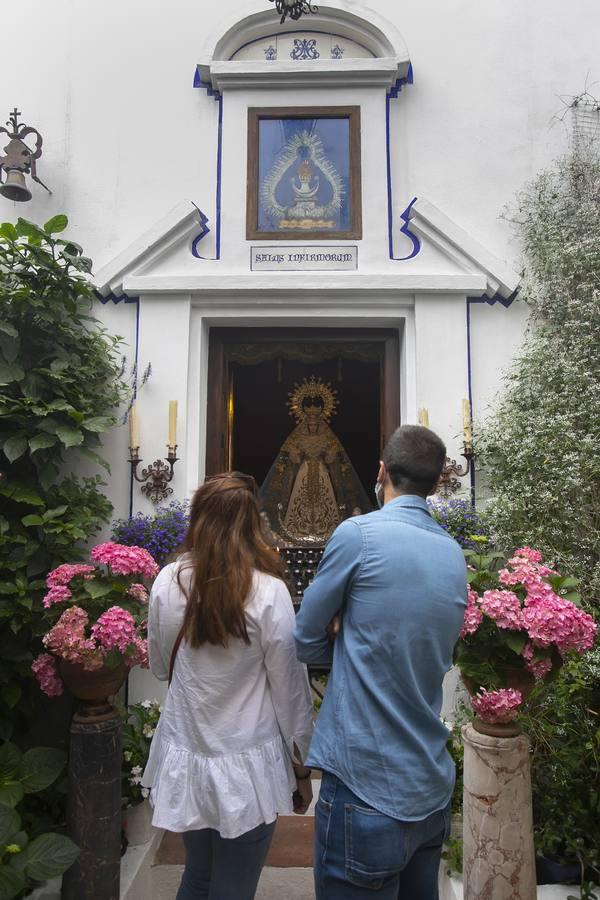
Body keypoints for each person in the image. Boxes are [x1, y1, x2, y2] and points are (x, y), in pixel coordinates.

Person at [294, 426, 468, 900]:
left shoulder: (358, 535)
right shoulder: (453, 554)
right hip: (429, 784)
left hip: (365, 782)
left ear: (381, 472)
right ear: (437, 483)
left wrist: (346, 642)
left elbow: (305, 637)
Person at [143, 472, 314, 900]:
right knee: (234, 887)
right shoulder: (269, 592)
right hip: (247, 762)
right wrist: (302, 768)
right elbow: (291, 693)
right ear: (253, 524)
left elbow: (160, 666)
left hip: (189, 755)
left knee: (198, 877)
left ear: (197, 518)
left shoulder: (167, 581)